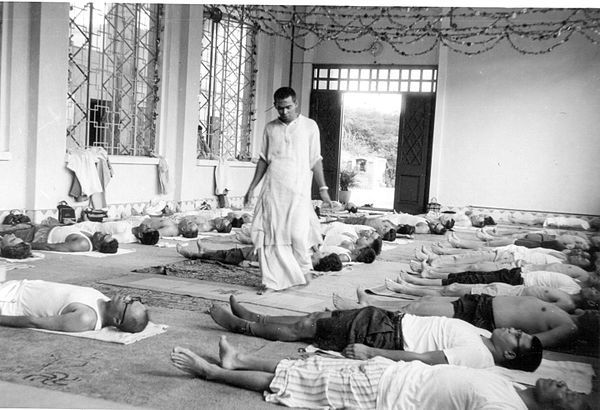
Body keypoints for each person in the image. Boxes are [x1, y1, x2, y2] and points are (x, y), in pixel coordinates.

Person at [170, 336, 589, 410]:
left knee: (294, 385)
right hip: (392, 374)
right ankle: (238, 360)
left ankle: (211, 373)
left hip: (386, 396)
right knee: (311, 367)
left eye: (570, 397)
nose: (565, 385)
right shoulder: (511, 384)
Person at [209, 295, 543, 371]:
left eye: (517, 337)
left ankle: (244, 326)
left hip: (386, 336)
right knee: (318, 317)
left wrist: (372, 353)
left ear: (510, 354)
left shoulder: (478, 355)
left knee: (308, 329)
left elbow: (424, 358)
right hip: (389, 320)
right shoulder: (483, 333)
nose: (514, 329)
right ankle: (257, 316)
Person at [243, 87, 332, 291]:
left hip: (298, 190)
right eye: (280, 108)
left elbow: (315, 159)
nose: (284, 112)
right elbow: (264, 160)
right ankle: (271, 281)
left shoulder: (309, 126)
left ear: (296, 103)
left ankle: (302, 270)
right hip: (273, 189)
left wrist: (323, 188)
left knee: (297, 234)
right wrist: (251, 187)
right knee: (272, 234)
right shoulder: (270, 128)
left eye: (288, 107)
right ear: (275, 105)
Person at [385, 271, 600, 313]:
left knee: (448, 292)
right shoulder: (570, 292)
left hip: (504, 296)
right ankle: (409, 285)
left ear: (591, 304)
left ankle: (405, 288)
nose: (595, 290)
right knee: (450, 289)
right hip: (510, 289)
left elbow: (532, 308)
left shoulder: (568, 304)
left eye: (597, 295)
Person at [0, 279, 148, 333]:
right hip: (17, 286)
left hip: (9, 301)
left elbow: (34, 322)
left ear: (117, 320)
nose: (126, 297)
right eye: (133, 298)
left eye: (128, 303)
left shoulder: (86, 318)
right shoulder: (104, 301)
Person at [176, 239, 344, 272]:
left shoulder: (302, 265)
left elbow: (276, 265)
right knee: (226, 253)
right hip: (262, 251)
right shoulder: (307, 259)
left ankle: (193, 255)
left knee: (225, 256)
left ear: (321, 260)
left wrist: (251, 265)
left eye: (323, 254)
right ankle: (204, 250)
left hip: (255, 257)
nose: (320, 252)